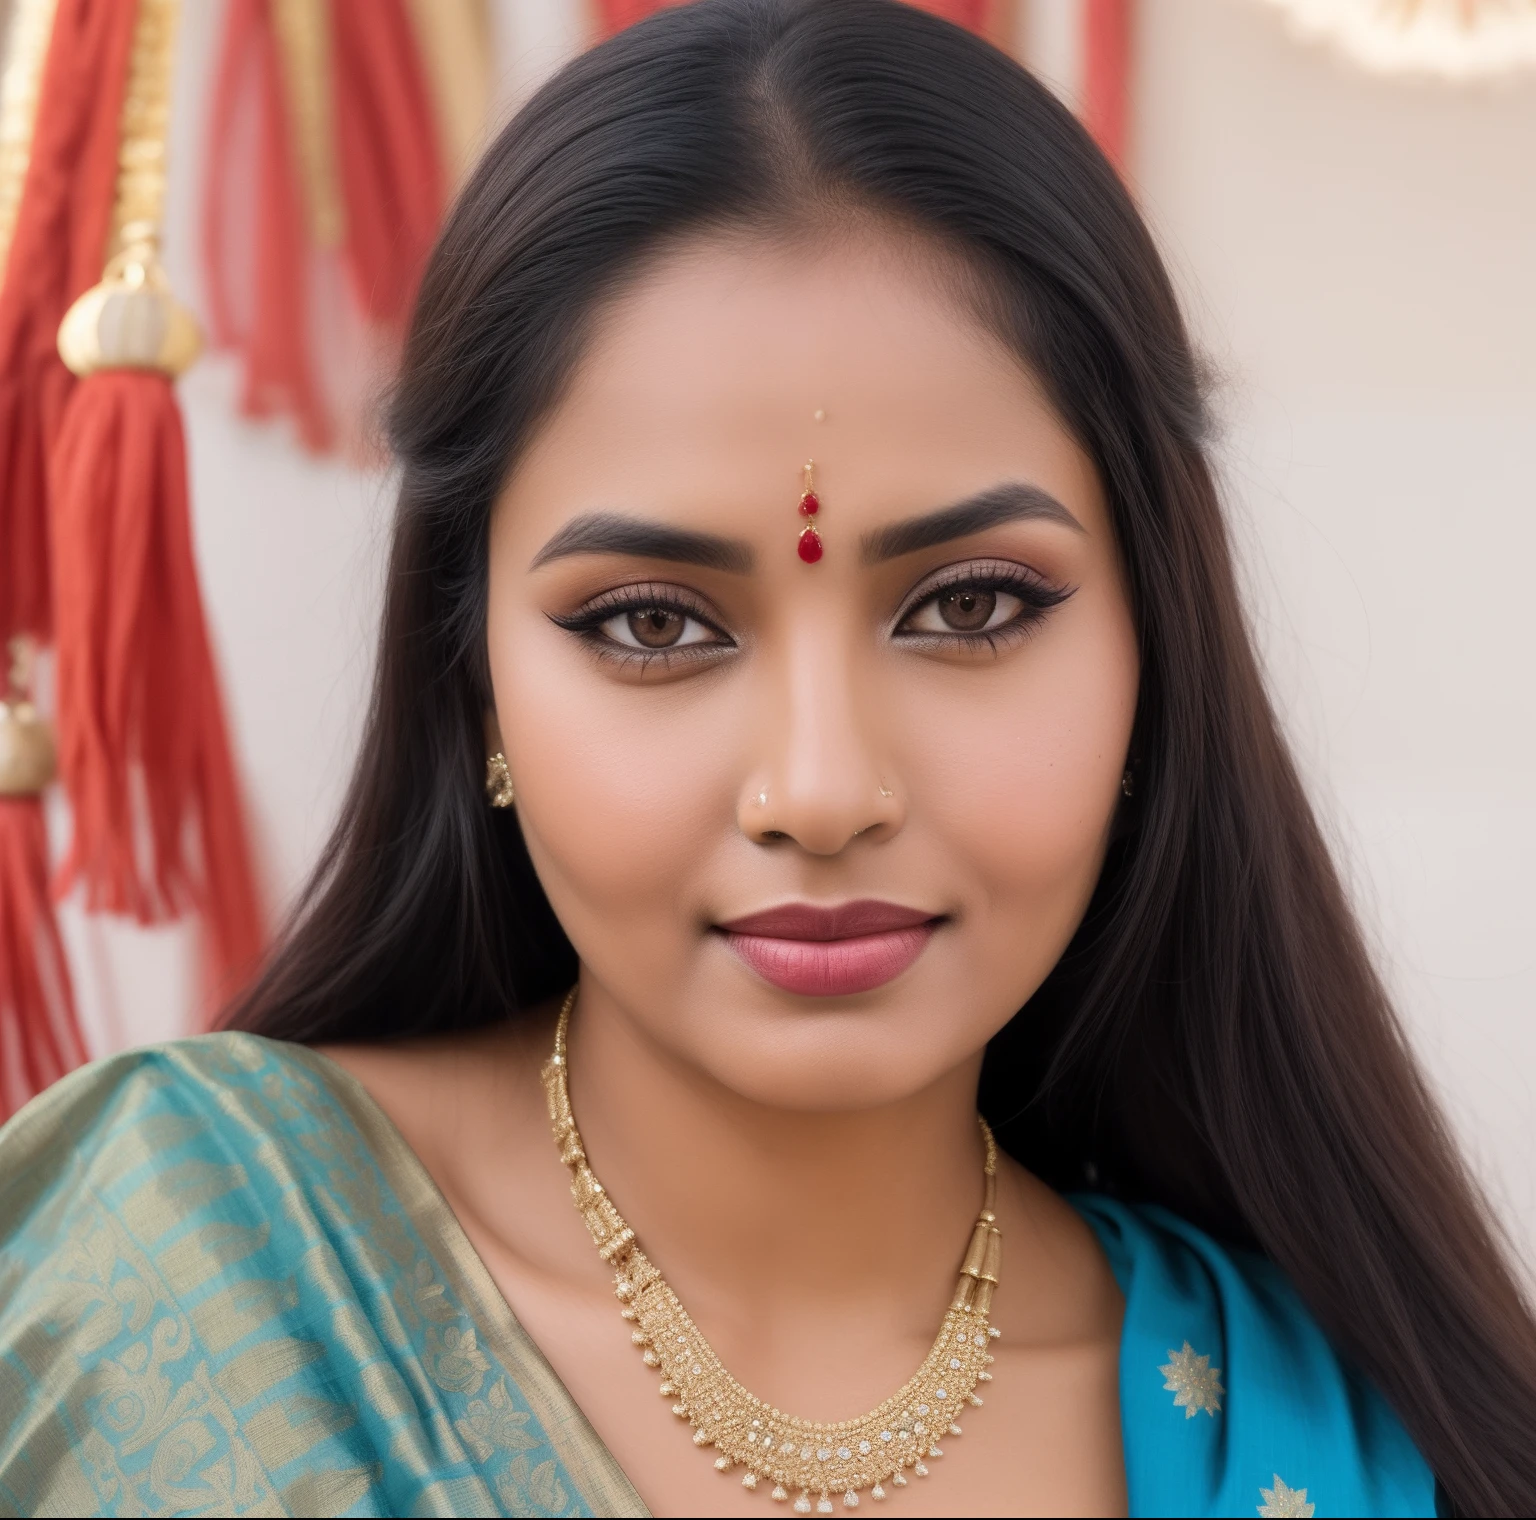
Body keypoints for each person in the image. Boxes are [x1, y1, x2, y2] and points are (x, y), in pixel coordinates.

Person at [2, 2, 1532, 1514]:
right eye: (654, 626)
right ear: (475, 690)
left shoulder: (1334, 1434)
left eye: (972, 606)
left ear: (1156, 657)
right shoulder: (186, 1283)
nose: (817, 789)